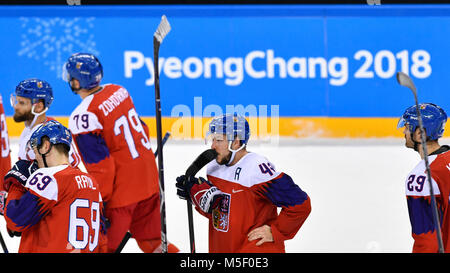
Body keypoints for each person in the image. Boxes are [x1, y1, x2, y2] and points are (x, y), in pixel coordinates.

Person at [63, 52, 178, 253]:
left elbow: (102, 168)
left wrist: (99, 203)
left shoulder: (83, 116)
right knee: (154, 243)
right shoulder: (118, 91)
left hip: (121, 195)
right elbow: (144, 129)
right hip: (149, 182)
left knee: (98, 249)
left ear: (76, 81)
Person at [176, 113, 311, 253]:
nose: (213, 146)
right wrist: (201, 199)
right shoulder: (214, 167)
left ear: (236, 142)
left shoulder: (257, 169)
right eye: (213, 140)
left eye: (219, 140)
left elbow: (300, 204)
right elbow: (224, 216)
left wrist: (275, 231)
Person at [1, 120, 107, 252]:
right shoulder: (92, 183)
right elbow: (102, 239)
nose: (35, 159)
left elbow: (15, 220)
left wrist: (16, 186)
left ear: (45, 146)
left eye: (35, 150)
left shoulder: (50, 177)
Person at [397, 103, 450, 253]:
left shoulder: (421, 177)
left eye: (407, 127)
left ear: (420, 134)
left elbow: (426, 238)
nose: (404, 132)